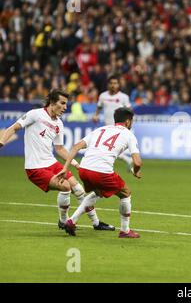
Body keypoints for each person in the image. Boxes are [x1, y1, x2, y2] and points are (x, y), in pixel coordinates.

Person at [0, 89, 114, 231]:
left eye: (66, 104)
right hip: (35, 167)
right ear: (52, 103)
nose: (65, 107)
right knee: (65, 186)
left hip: (51, 163)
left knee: (78, 189)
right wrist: (2, 142)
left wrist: (76, 164)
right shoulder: (35, 114)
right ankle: (64, 221)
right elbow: (14, 128)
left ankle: (96, 223)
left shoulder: (59, 124)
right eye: (62, 103)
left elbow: (59, 149)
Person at [57, 107, 142, 238]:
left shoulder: (100, 130)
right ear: (128, 121)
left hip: (84, 170)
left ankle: (71, 221)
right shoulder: (129, 134)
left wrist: (66, 167)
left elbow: (75, 147)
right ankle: (125, 230)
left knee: (97, 192)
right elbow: (137, 162)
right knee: (126, 193)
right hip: (101, 172)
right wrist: (136, 172)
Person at [93, 74, 133, 168]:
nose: (113, 85)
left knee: (107, 147)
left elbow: (129, 112)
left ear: (119, 85)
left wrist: (129, 125)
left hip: (119, 127)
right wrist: (96, 115)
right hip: (108, 126)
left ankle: (104, 166)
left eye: (115, 83)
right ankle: (126, 160)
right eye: (111, 83)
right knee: (109, 148)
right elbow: (99, 107)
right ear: (108, 84)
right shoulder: (103, 96)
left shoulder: (123, 97)